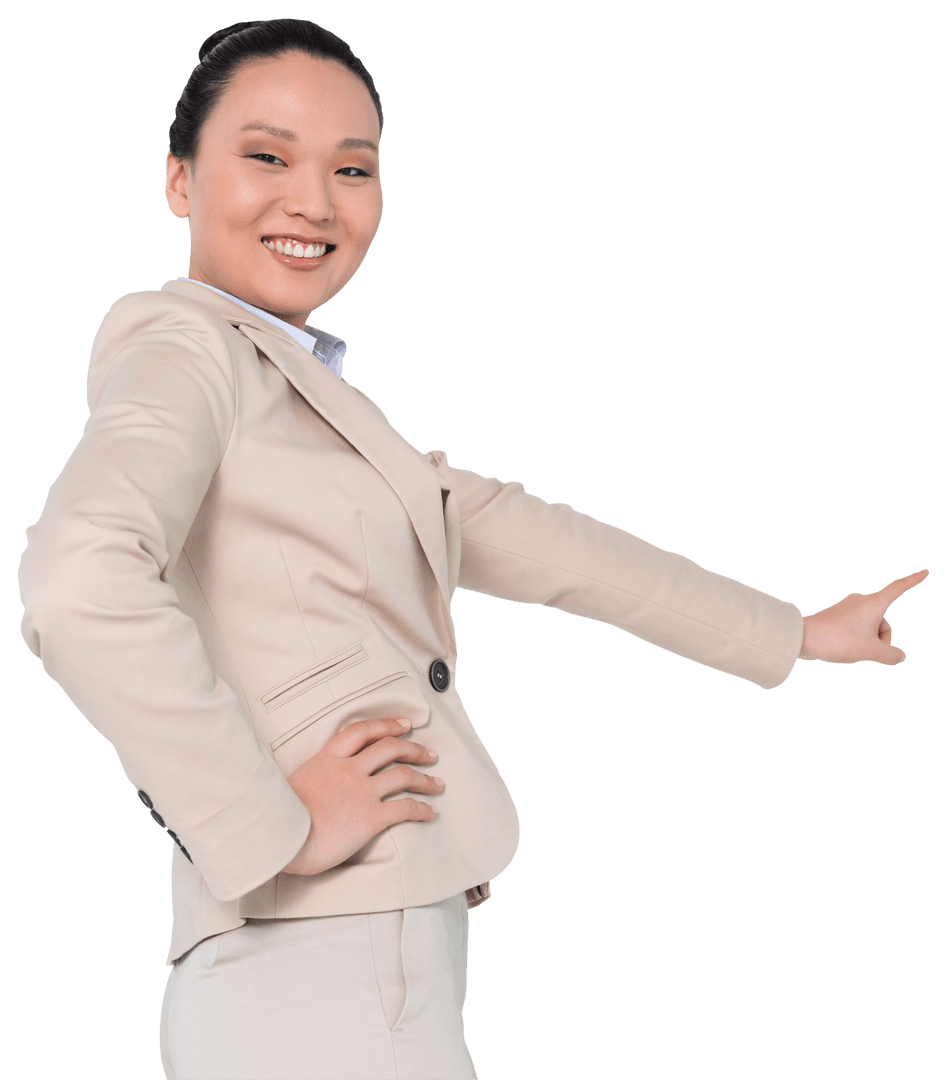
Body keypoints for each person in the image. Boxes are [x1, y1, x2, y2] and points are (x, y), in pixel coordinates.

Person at [16, 17, 928, 1080]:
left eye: (352, 169)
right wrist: (265, 822)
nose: (313, 201)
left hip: (330, 971)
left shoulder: (301, 401)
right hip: (320, 965)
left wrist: (794, 633)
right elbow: (76, 581)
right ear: (179, 178)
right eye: (266, 156)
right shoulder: (188, 351)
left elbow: (548, 544)